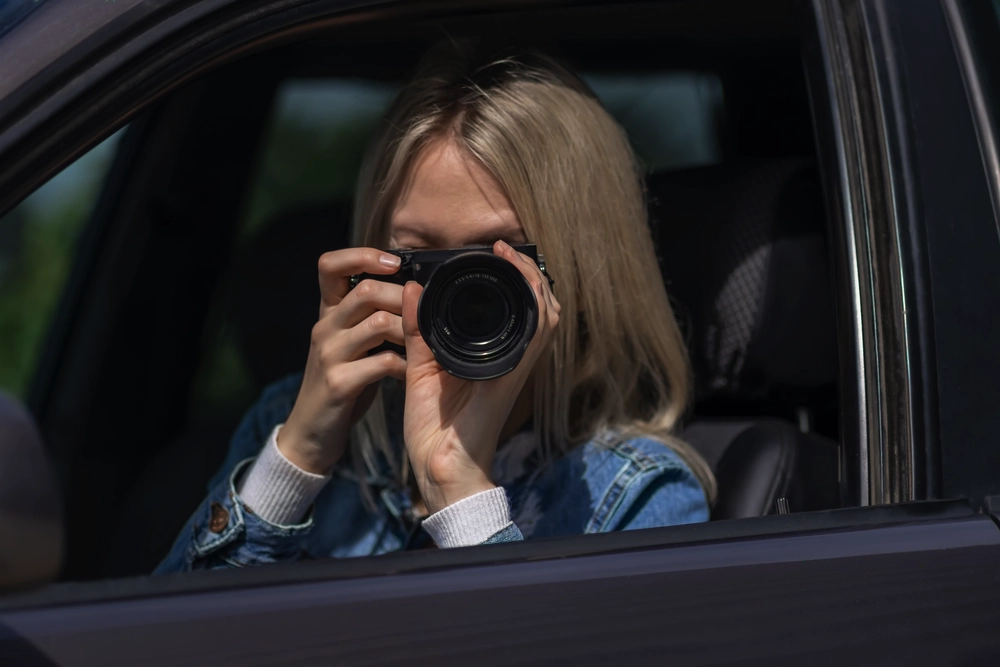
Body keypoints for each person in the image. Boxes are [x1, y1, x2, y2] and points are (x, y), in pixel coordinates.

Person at [157, 42, 715, 572]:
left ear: (581, 272)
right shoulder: (293, 423)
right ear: (369, 260)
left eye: (492, 267)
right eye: (416, 259)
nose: (456, 299)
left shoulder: (637, 493)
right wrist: (297, 458)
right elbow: (159, 637)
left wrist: (460, 488)